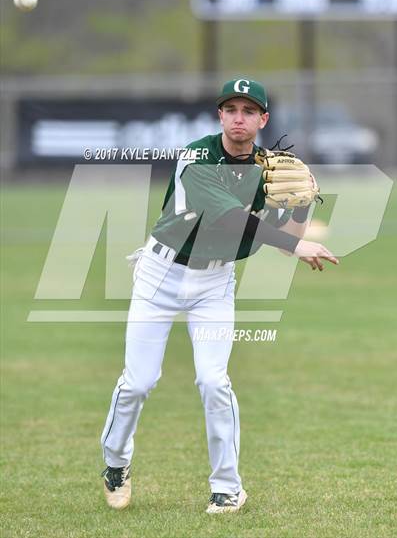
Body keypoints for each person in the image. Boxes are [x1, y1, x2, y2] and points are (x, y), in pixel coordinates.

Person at [100, 78, 338, 513]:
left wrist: (303, 204)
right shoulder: (197, 157)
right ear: (220, 116)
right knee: (138, 383)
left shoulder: (271, 169)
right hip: (160, 276)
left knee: (214, 381)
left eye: (249, 111)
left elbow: (288, 232)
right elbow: (228, 218)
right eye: (231, 109)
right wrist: (295, 246)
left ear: (263, 119)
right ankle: (115, 462)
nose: (239, 118)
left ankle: (227, 487)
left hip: (214, 284)